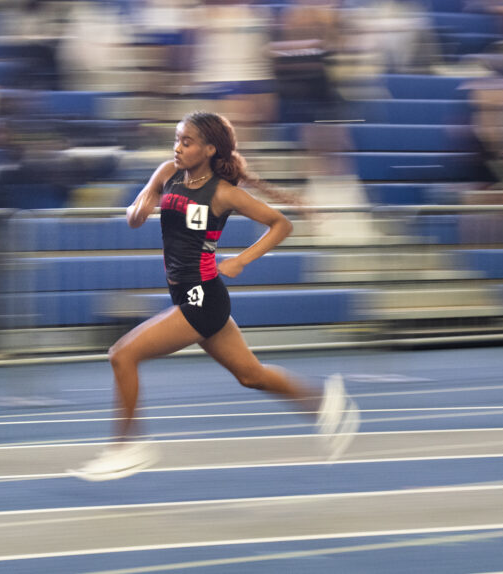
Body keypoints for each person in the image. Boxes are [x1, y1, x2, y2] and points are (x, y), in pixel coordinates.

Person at [70, 111, 359, 482]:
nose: (177, 147)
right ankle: (323, 402)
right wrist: (138, 207)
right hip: (188, 295)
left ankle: (128, 448)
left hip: (202, 299)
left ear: (208, 149)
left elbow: (280, 224)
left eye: (186, 142)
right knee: (251, 375)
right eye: (176, 139)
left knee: (122, 355)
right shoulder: (167, 173)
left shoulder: (223, 193)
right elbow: (135, 216)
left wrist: (242, 260)